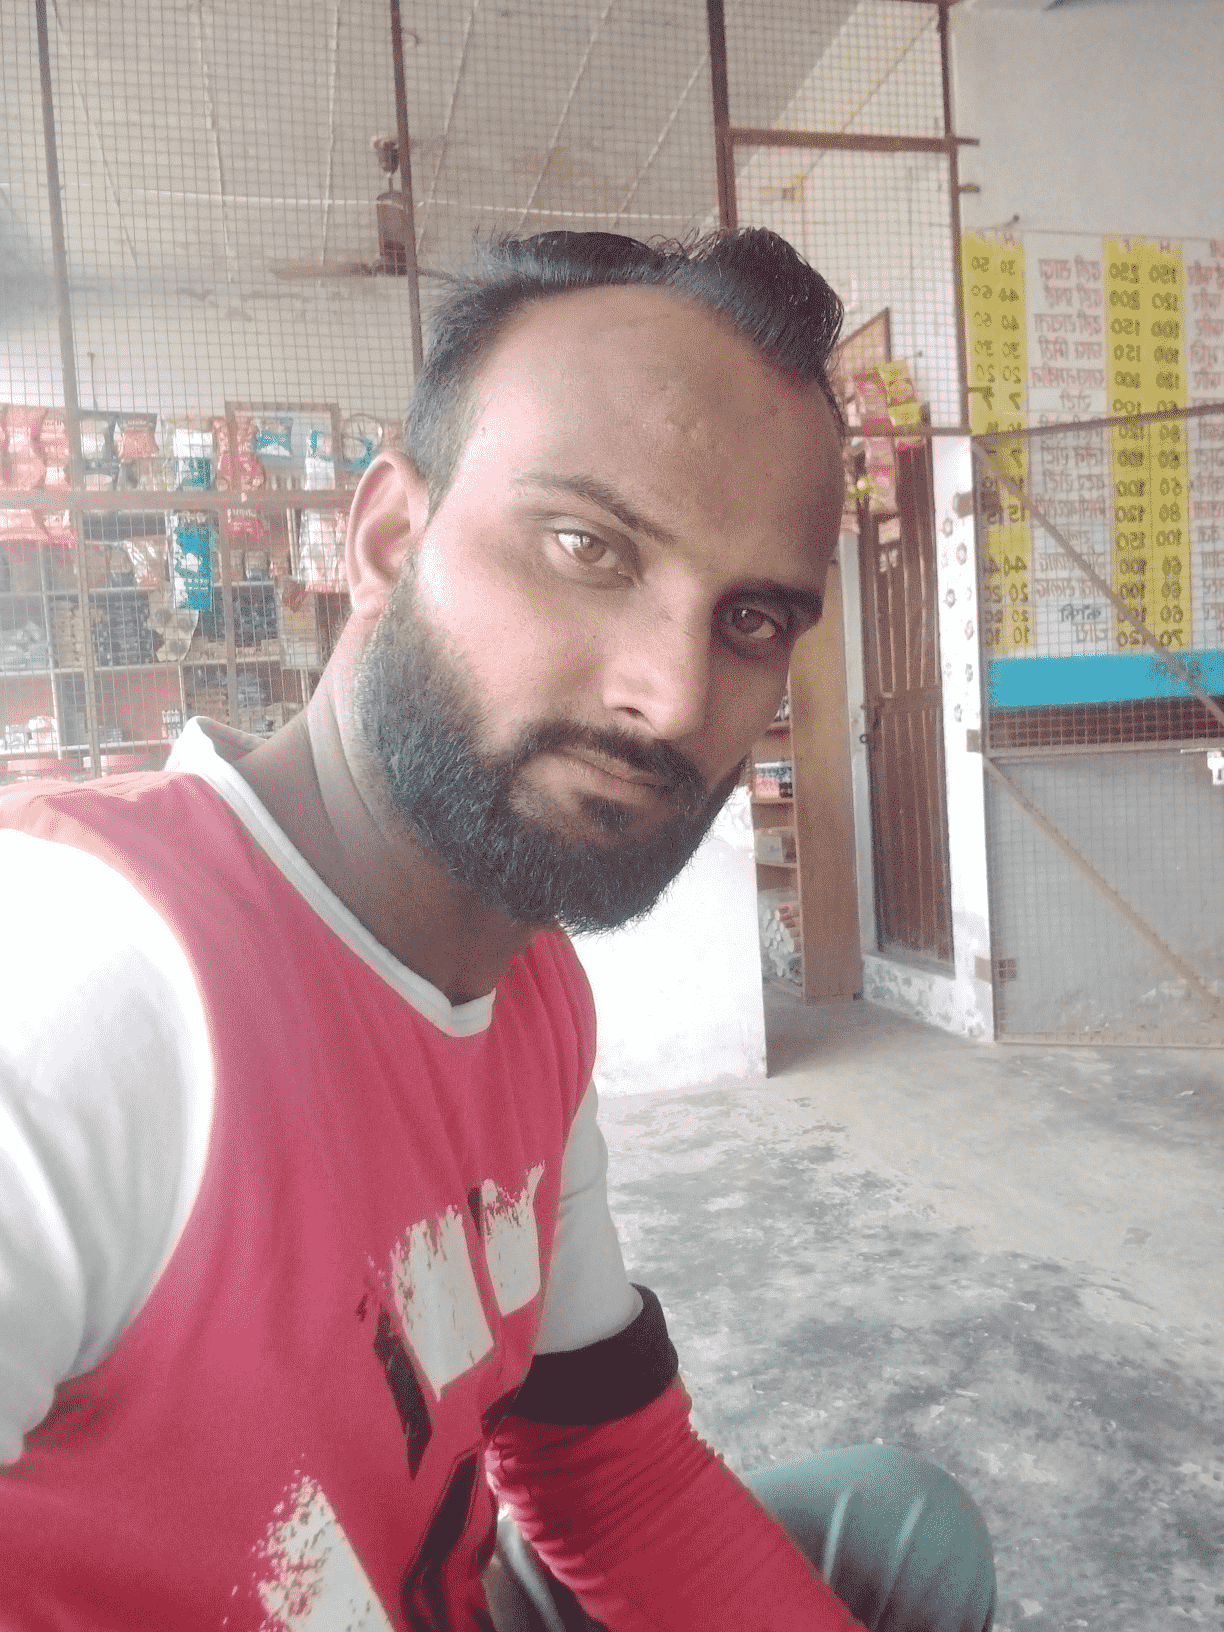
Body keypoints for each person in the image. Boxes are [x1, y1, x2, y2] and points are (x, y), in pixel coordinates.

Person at [0, 229, 996, 1631]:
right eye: (589, 547)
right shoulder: (82, 984)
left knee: (898, 1527)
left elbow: (611, 1475)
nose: (670, 696)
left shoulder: (531, 994)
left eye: (751, 619)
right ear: (388, 541)